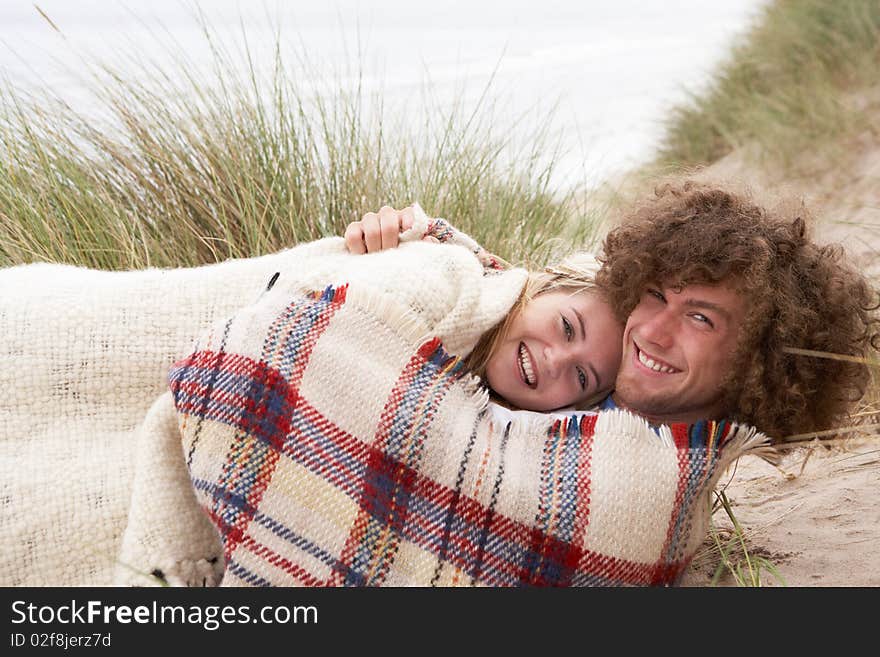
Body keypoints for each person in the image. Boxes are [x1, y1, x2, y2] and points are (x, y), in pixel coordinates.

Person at [344, 204, 623, 412]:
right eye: (567, 327)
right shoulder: (449, 265)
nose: (555, 361)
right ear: (546, 284)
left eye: (582, 376)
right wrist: (378, 234)